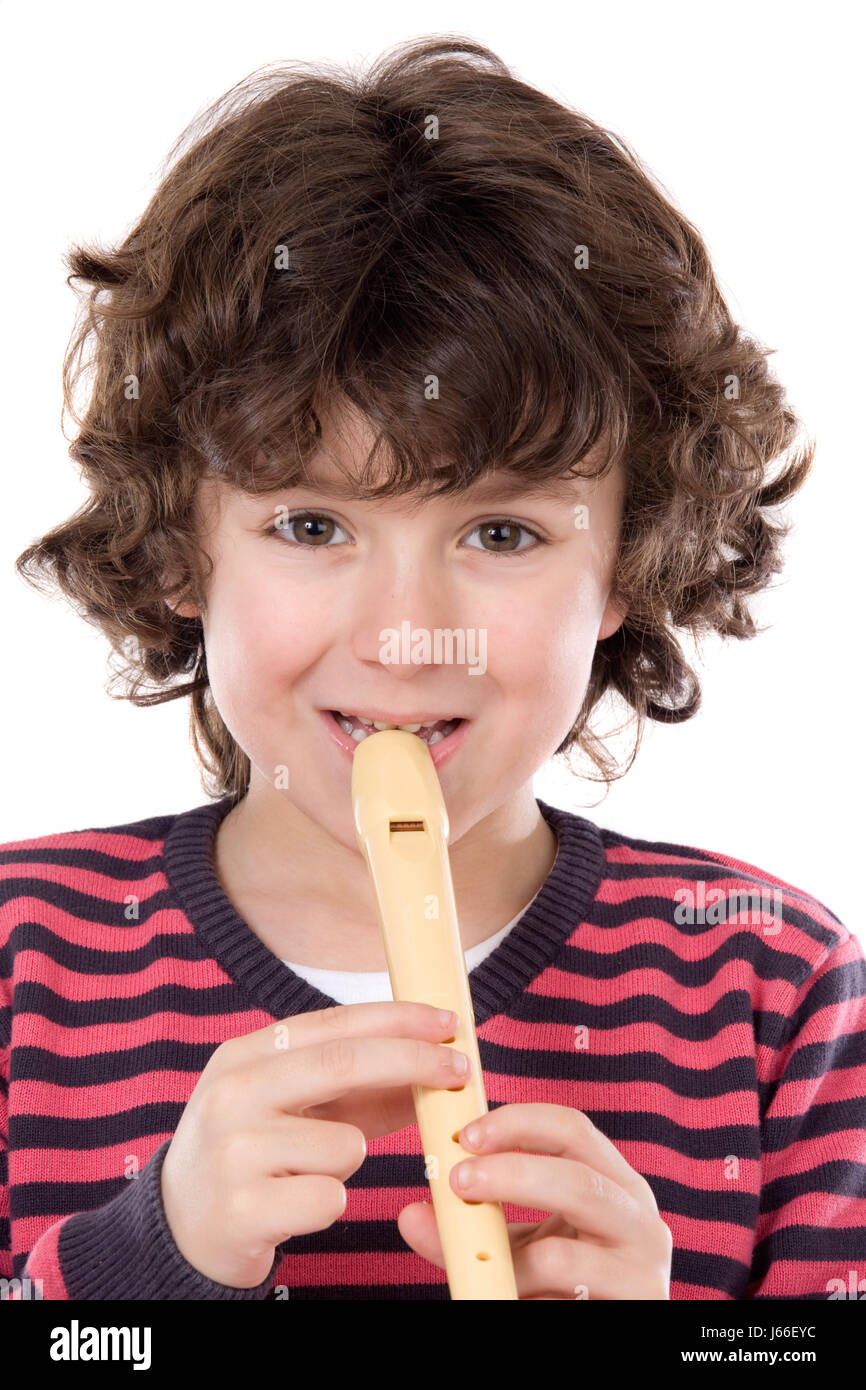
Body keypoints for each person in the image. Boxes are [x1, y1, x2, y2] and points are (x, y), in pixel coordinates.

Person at [2, 35, 863, 1302]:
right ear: (181, 546)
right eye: (311, 527)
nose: (406, 633)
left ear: (629, 563)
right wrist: (147, 1267)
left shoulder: (772, 989)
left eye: (501, 533)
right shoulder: (25, 962)